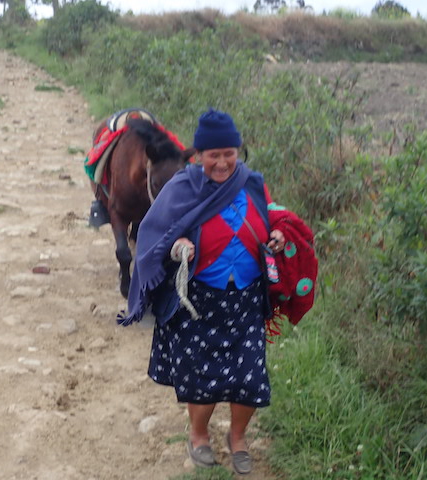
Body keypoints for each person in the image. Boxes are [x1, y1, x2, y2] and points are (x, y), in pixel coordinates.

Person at [118, 108, 285, 474]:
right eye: (214, 155)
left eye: (229, 153)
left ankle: (237, 437)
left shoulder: (252, 183)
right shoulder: (183, 187)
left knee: (250, 379)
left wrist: (276, 236)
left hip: (246, 298)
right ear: (198, 156)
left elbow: (269, 216)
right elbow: (155, 232)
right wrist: (178, 247)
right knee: (202, 378)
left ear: (237, 152)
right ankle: (199, 436)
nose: (223, 162)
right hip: (199, 300)